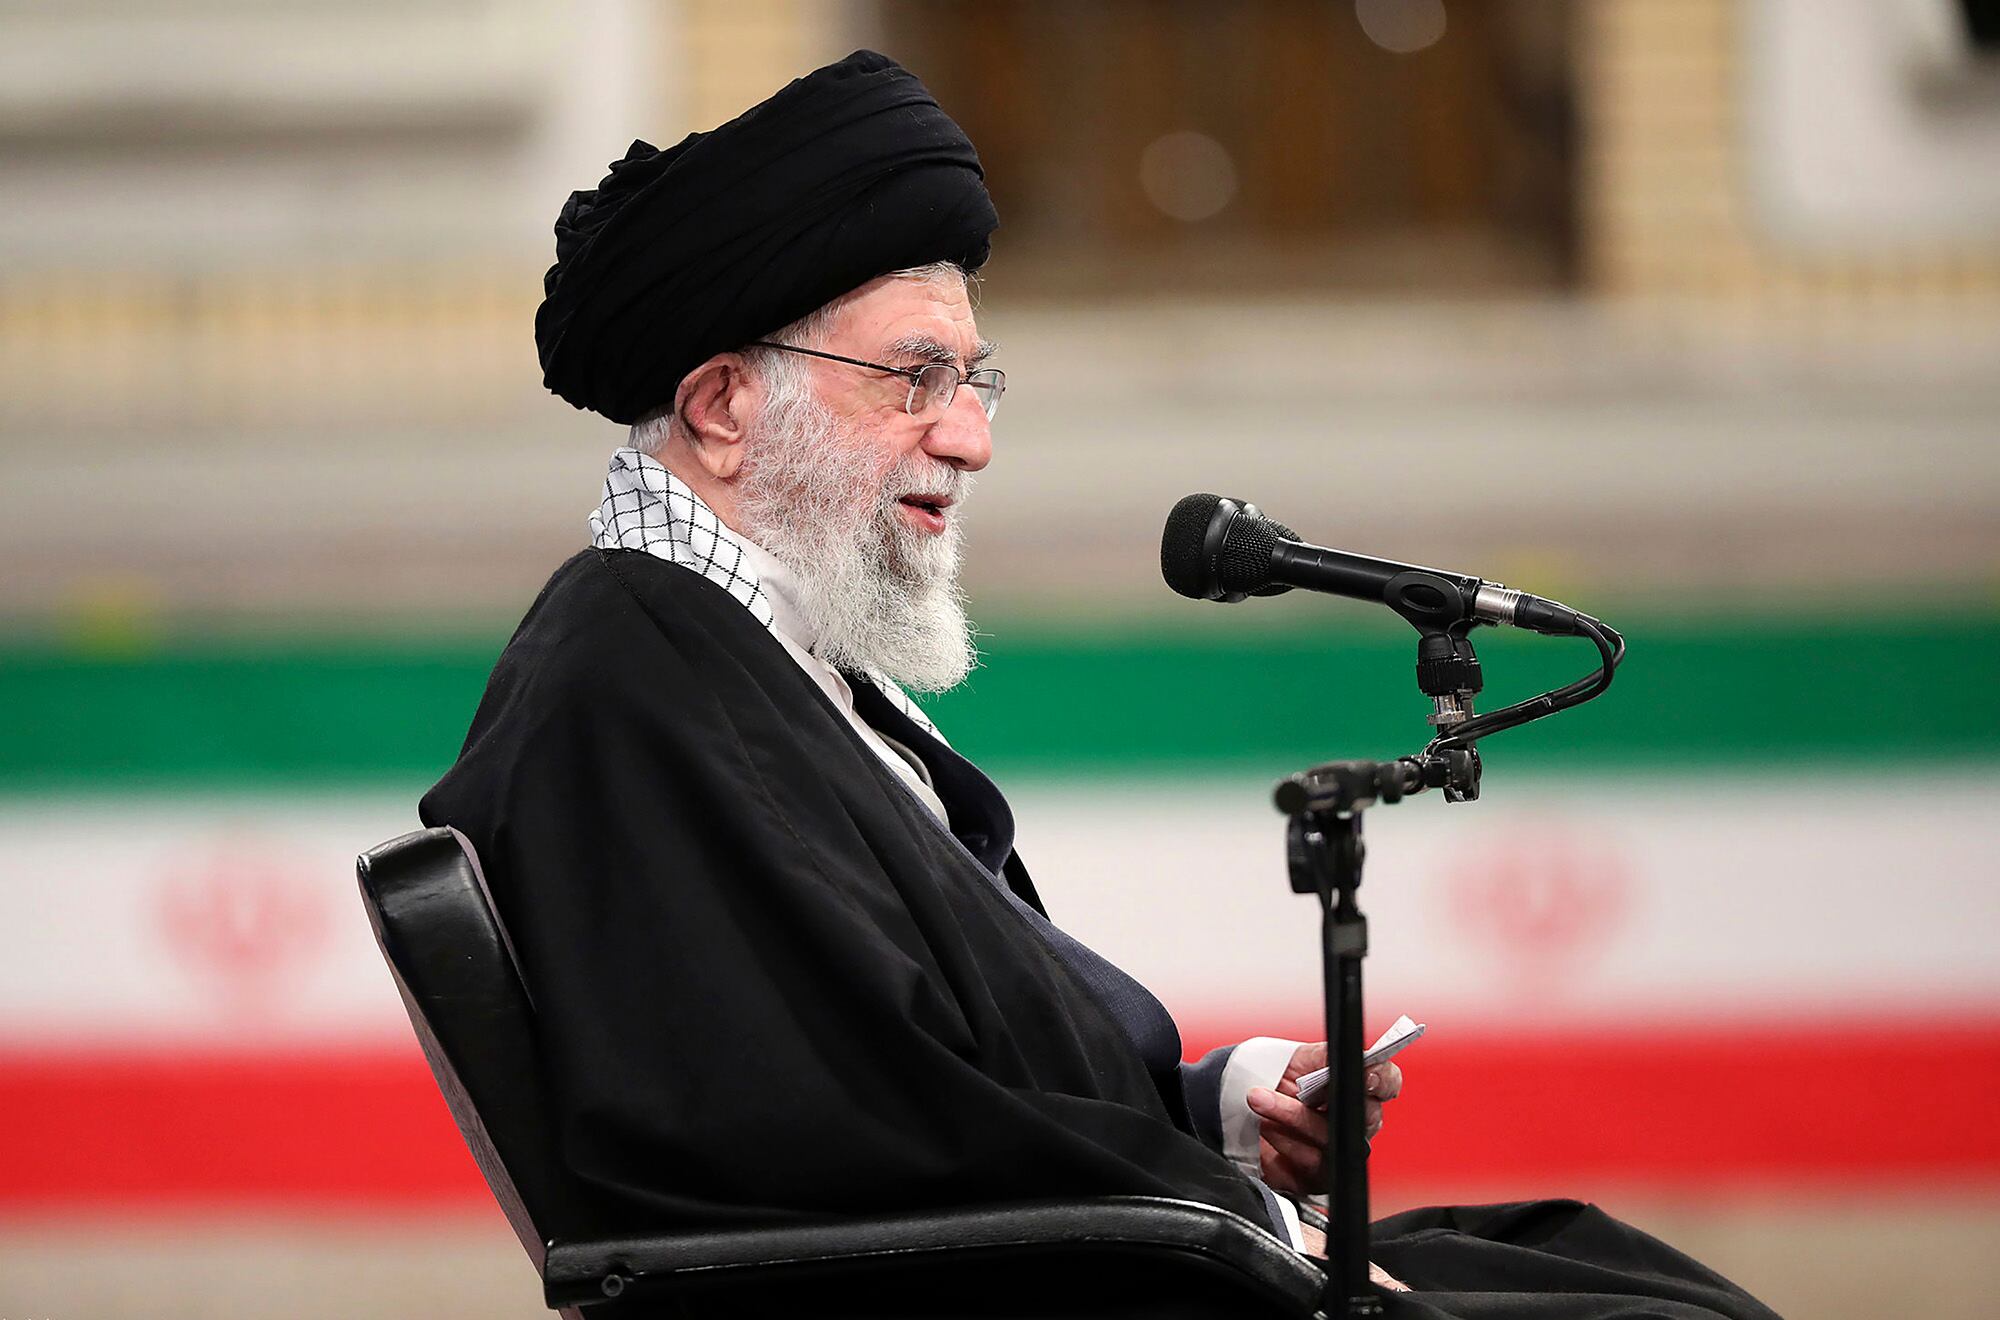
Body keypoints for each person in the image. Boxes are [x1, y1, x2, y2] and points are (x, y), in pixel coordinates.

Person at [420, 50, 1779, 1320]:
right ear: (721, 406)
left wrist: (1211, 1108)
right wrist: (1243, 1229)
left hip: (1119, 1243)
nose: (971, 436)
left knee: (1584, 1254)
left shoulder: (731, 649)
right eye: (915, 378)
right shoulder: (636, 682)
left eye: (977, 379)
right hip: (1096, 1278)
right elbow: (837, 1147)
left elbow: (928, 1079)